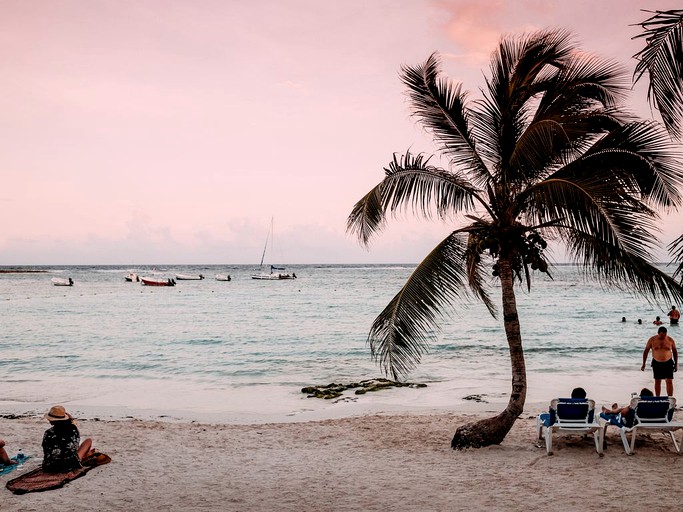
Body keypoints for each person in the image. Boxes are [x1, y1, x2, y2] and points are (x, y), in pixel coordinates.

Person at [42, 405, 92, 473]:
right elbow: (76, 441)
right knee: (88, 441)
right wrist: (71, 419)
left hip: (49, 467)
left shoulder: (48, 433)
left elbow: (45, 449)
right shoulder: (73, 429)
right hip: (69, 466)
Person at [641, 326, 678, 396]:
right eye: (661, 335)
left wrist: (676, 364)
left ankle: (670, 398)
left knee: (669, 381)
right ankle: (658, 397)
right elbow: (646, 351)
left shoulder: (670, 340)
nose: (663, 337)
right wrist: (643, 364)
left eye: (664, 335)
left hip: (668, 362)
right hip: (656, 362)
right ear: (658, 333)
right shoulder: (652, 340)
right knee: (657, 381)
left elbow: (675, 352)